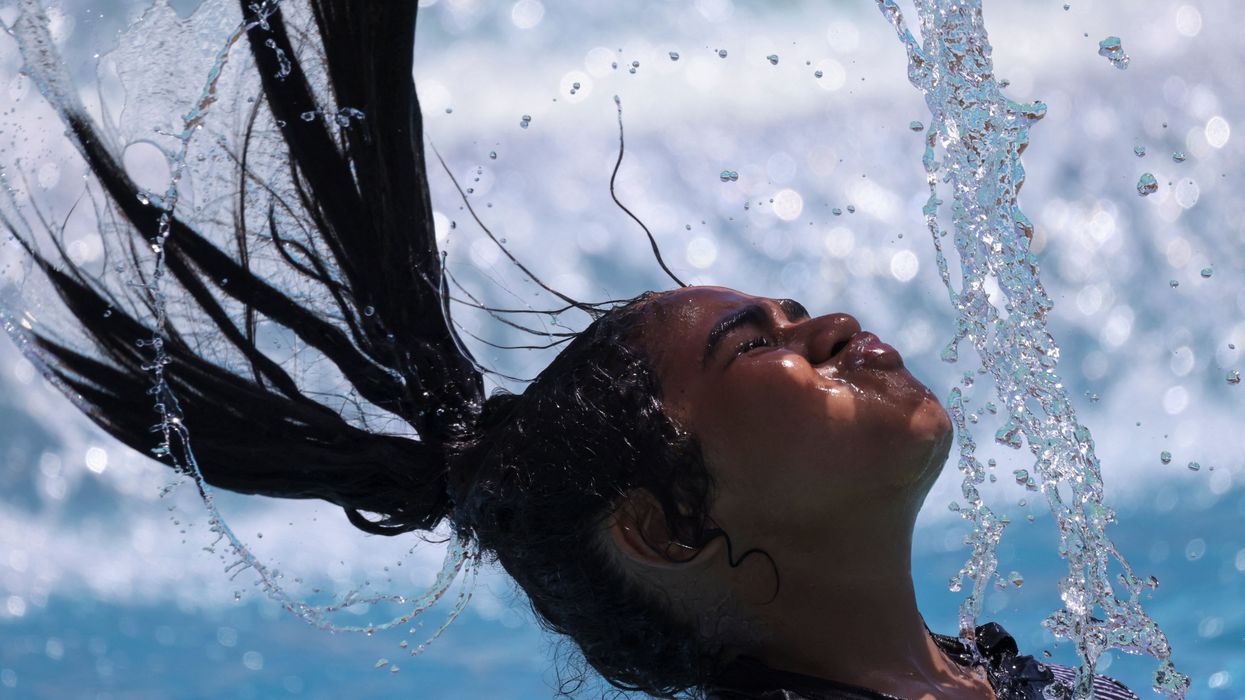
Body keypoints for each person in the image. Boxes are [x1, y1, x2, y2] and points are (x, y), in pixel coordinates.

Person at [3, 1, 1139, 698]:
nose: (833, 324)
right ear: (663, 524)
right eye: (757, 344)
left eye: (791, 316)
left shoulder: (998, 667)